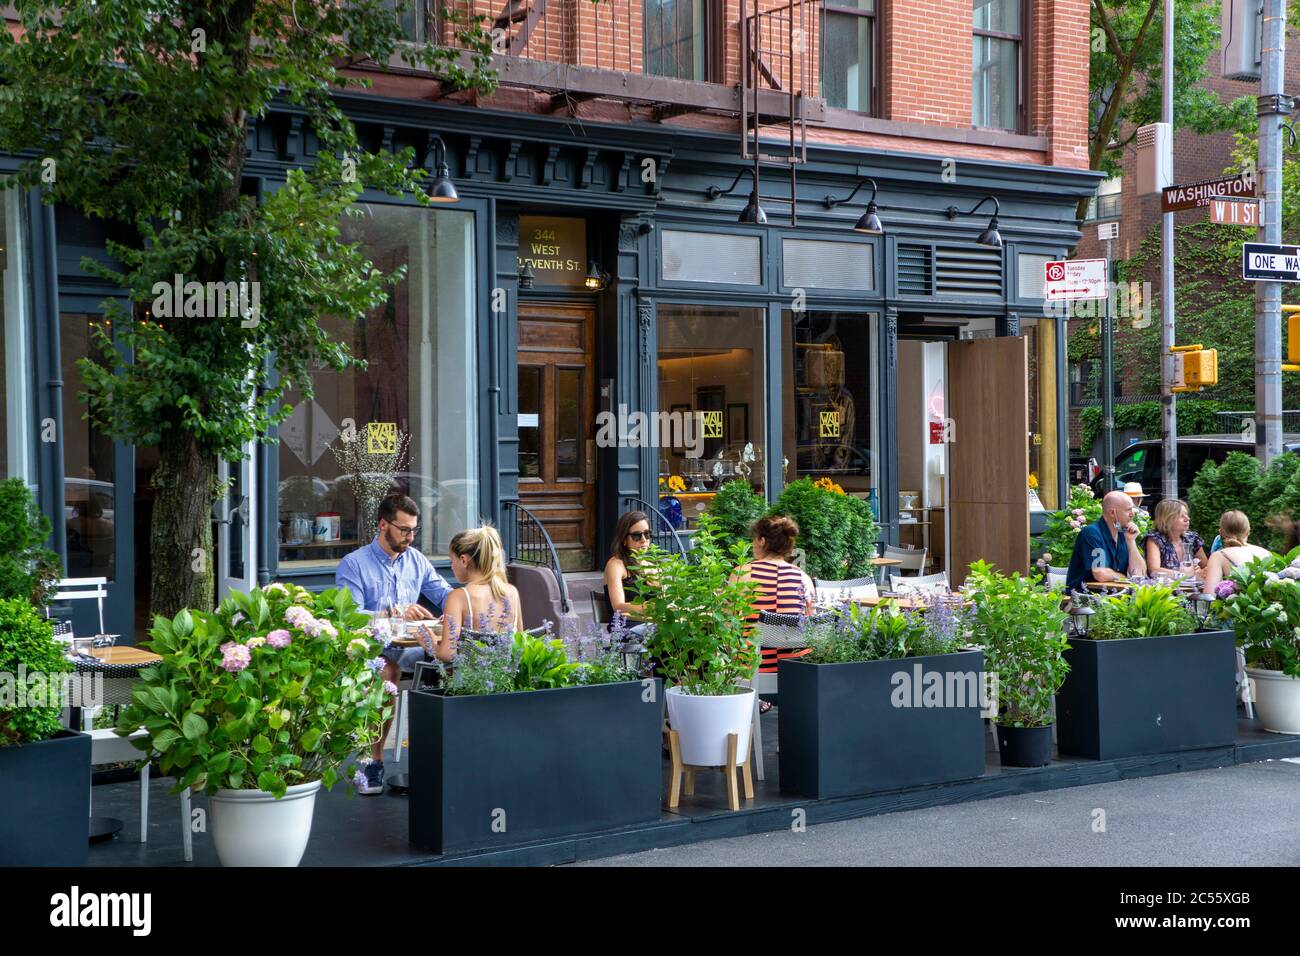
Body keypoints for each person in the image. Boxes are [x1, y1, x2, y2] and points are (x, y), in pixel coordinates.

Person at [336, 494, 454, 794]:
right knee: (386, 672)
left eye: (414, 530)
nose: (410, 537)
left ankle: (445, 760)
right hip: (374, 648)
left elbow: (444, 594)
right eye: (404, 530)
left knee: (455, 660)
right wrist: (391, 611)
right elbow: (347, 617)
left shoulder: (416, 560)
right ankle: (375, 762)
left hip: (412, 646)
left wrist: (468, 602)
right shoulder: (354, 564)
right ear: (383, 525)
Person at [732, 515, 815, 714]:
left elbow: (729, 625)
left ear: (762, 541)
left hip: (753, 674)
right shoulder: (803, 579)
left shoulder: (743, 574)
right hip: (797, 675)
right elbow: (810, 626)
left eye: (754, 539)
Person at [435, 524, 522, 663]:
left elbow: (447, 654)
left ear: (463, 560)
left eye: (452, 561)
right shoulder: (512, 592)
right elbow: (520, 642)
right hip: (508, 679)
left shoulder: (458, 597)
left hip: (470, 682)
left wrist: (431, 644)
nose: (451, 566)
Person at [1064, 490, 1148, 594]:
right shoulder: (1092, 533)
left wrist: (1131, 542)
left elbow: (1140, 574)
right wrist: (1123, 577)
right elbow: (1100, 573)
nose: (1132, 514)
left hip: (1115, 597)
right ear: (1113, 513)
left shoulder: (1123, 534)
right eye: (1128, 510)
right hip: (1086, 599)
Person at [1201, 510, 1272, 595]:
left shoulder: (1219, 556)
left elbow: (1209, 596)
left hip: (1235, 607)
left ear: (1221, 532)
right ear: (1248, 531)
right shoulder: (1267, 553)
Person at [603, 511, 653, 619]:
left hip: (654, 625)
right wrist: (650, 607)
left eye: (647, 534)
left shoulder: (652, 567)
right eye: (636, 536)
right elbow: (618, 606)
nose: (643, 540)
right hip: (626, 627)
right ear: (624, 539)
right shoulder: (616, 565)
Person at [1143, 498, 1207, 579]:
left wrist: (1200, 571)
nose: (1187, 519)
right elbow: (1154, 571)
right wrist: (1183, 574)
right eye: (1181, 516)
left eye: (1187, 515)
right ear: (1167, 519)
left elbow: (1206, 567)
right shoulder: (1155, 539)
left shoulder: (1192, 538)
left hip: (1192, 588)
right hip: (1167, 589)